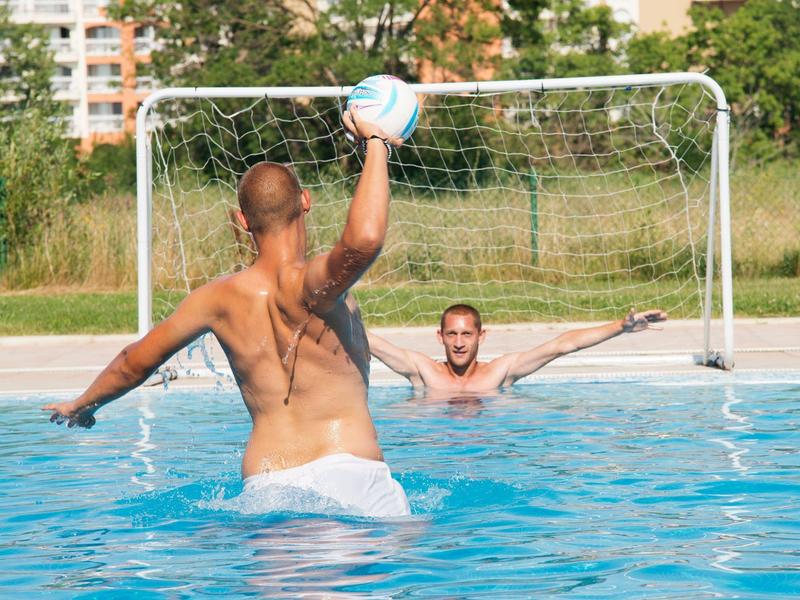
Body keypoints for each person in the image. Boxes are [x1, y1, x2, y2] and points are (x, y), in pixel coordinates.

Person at [42, 107, 411, 518]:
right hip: (351, 476)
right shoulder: (314, 284)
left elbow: (135, 360)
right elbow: (365, 239)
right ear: (305, 202)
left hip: (267, 488)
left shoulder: (215, 300)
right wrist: (377, 144)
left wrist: (82, 405)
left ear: (241, 220)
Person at [368, 304, 667, 392]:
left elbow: (563, 345)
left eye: (466, 334)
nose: (459, 343)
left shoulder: (501, 372)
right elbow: (369, 342)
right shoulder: (423, 371)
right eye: (452, 334)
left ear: (481, 336)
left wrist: (621, 327)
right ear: (440, 336)